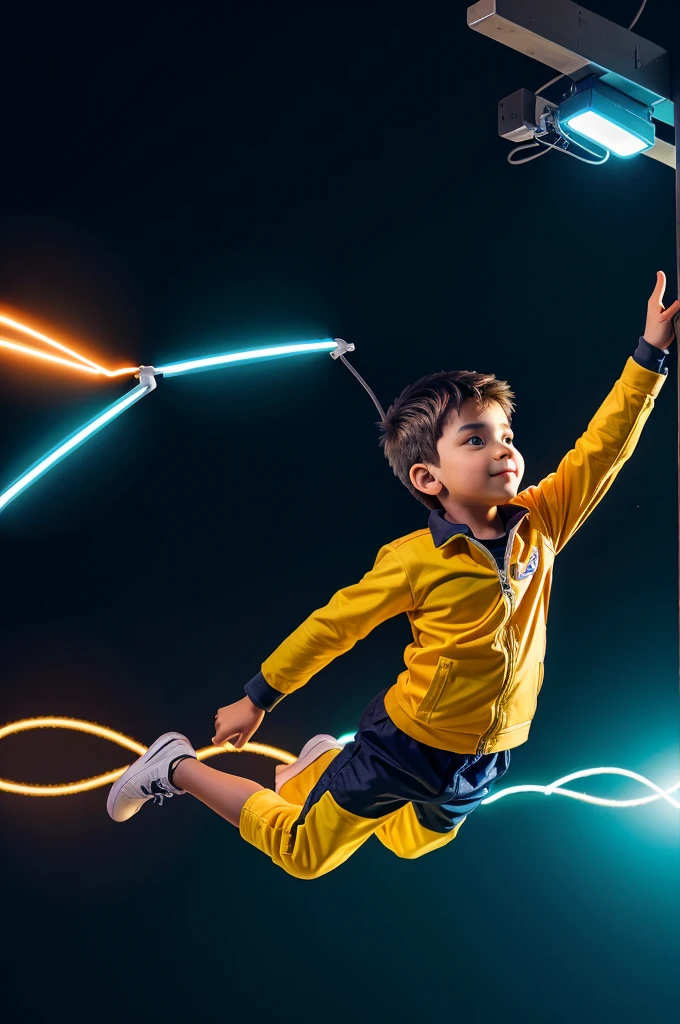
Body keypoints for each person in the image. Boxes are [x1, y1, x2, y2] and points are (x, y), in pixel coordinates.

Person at [107, 271, 678, 880]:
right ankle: (174, 767)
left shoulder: (543, 521)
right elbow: (332, 627)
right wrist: (257, 697)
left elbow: (602, 448)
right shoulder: (412, 560)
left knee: (414, 843)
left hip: (490, 750)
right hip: (405, 742)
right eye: (476, 440)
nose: (503, 450)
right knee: (304, 855)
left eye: (506, 436)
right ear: (429, 478)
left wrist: (650, 356)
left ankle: (322, 765)